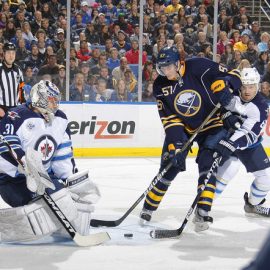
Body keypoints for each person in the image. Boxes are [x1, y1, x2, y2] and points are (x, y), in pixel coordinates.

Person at [139, 46, 242, 231]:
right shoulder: (160, 85)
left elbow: (234, 74)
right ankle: (148, 206)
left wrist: (227, 85)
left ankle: (203, 211)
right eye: (162, 68)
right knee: (170, 166)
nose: (165, 72)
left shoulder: (199, 66)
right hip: (184, 128)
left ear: (179, 63)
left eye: (169, 67)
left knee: (208, 163)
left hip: (212, 123)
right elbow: (170, 119)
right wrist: (176, 145)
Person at [0, 80, 100, 243]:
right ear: (39, 98)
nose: (55, 104)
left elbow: (63, 155)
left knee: (68, 199)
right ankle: (8, 227)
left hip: (44, 179)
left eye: (56, 99)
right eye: (51, 99)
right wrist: (25, 163)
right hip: (13, 181)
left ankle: (63, 229)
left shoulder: (60, 119)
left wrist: (71, 180)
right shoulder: (16, 115)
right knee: (43, 209)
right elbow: (6, 144)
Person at [209, 68, 270, 220]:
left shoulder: (261, 106)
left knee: (265, 180)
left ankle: (252, 205)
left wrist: (231, 143)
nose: (247, 91)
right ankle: (204, 206)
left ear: (257, 86)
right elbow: (216, 101)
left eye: (251, 86)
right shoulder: (232, 92)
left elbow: (250, 134)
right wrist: (224, 113)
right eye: (244, 86)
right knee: (230, 170)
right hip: (226, 137)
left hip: (248, 145)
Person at [0, 42, 24, 119]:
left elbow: (21, 89)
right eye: (8, 53)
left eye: (13, 53)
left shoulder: (18, 70)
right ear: (3, 54)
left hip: (15, 110)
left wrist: (22, 107)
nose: (11, 56)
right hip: (1, 110)